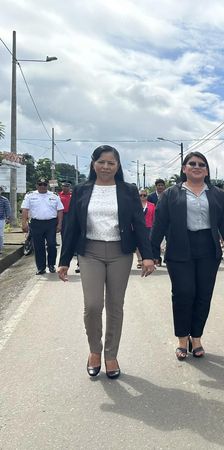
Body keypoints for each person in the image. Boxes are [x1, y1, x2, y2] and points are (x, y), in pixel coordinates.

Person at [58, 145, 155, 379]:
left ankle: (111, 355)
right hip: (90, 252)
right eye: (101, 162)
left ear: (118, 166)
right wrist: (64, 260)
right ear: (93, 164)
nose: (106, 167)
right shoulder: (81, 190)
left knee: (115, 305)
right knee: (92, 305)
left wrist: (148, 255)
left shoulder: (128, 190)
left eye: (111, 163)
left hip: (120, 253)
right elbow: (72, 226)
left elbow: (138, 224)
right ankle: (95, 350)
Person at [152, 152, 224, 360]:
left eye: (201, 164)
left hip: (208, 249)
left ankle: (196, 337)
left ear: (206, 171)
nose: (197, 167)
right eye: (192, 164)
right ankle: (182, 338)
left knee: (203, 295)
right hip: (179, 248)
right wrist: (152, 253)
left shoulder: (216, 194)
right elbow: (159, 223)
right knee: (183, 293)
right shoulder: (171, 194)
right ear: (184, 169)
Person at [21, 178, 64, 275]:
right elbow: (25, 210)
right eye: (40, 184)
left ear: (47, 185)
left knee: (52, 244)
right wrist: (24, 223)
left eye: (44, 184)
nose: (42, 186)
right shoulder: (30, 195)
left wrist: (59, 224)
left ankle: (51, 265)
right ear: (36, 185)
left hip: (51, 223)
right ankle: (41, 267)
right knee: (38, 246)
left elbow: (60, 210)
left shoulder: (54, 195)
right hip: (36, 223)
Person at [136, 188, 155, 269]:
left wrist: (154, 227)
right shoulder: (134, 204)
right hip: (137, 227)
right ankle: (140, 260)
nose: (142, 197)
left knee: (148, 244)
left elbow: (154, 217)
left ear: (147, 196)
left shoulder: (152, 205)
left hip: (149, 227)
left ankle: (148, 259)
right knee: (138, 244)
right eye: (140, 195)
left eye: (144, 195)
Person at [0, 186, 11, 255]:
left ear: (1, 191)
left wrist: (8, 218)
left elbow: (8, 209)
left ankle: (0, 249)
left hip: (1, 219)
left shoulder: (4, 200)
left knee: (0, 235)